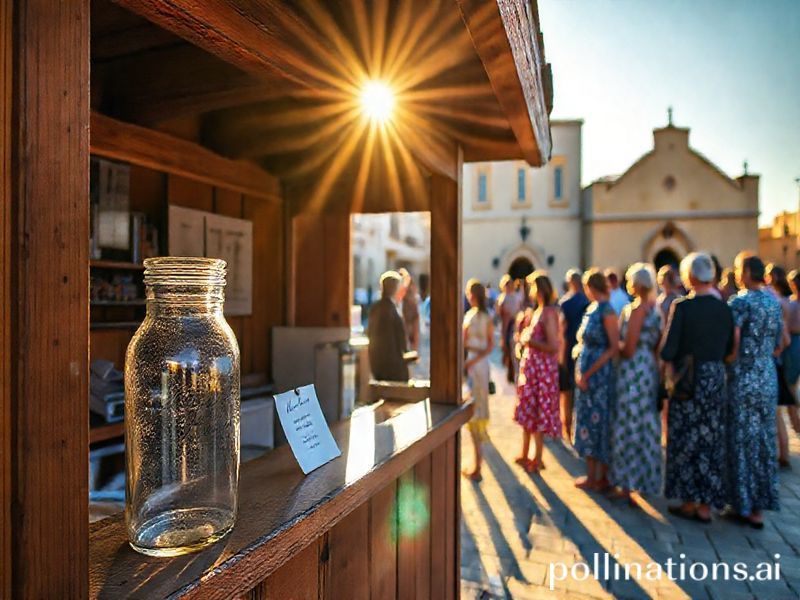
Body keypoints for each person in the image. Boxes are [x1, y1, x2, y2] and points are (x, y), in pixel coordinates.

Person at [660, 252, 733, 523]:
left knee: (687, 439)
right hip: (714, 377)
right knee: (710, 439)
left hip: (688, 378)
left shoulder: (682, 307)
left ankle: (689, 501)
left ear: (690, 277)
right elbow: (729, 349)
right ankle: (706, 504)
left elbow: (669, 350)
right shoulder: (725, 308)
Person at [725, 254, 784, 528]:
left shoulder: (740, 301)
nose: (737, 274)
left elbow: (733, 340)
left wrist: (732, 359)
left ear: (747, 272)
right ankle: (759, 506)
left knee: (741, 440)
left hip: (744, 377)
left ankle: (743, 505)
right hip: (767, 376)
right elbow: (780, 342)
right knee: (762, 441)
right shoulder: (773, 302)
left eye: (739, 269)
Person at [609, 263, 663, 505]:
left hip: (633, 371)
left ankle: (627, 483)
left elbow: (629, 348)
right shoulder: (655, 309)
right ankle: (642, 479)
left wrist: (612, 346)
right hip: (648, 368)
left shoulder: (637, 310)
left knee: (629, 423)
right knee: (644, 423)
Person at [573, 269, 619, 490]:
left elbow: (612, 348)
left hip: (599, 377)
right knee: (587, 424)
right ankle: (591, 475)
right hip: (587, 376)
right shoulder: (591, 308)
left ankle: (601, 477)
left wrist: (589, 372)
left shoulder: (607, 310)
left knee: (598, 423)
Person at [514, 271, 561, 473]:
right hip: (533, 370)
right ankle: (526, 453)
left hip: (542, 372)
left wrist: (529, 341)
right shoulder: (539, 310)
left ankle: (538, 457)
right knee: (528, 411)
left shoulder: (549, 313)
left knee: (538, 413)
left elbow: (552, 346)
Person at [462, 279, 494, 482]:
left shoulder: (481, 317)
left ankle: (478, 465)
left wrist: (471, 359)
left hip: (477, 364)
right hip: (475, 362)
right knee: (475, 407)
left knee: (477, 409)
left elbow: (489, 345)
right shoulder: (475, 316)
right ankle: (477, 461)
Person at [766, 264, 797, 468]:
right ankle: (784, 452)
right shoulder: (785, 302)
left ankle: (782, 453)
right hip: (784, 352)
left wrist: (774, 352)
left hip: (779, 356)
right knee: (786, 402)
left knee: (780, 407)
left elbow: (784, 338)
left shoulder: (776, 302)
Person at [558, 269, 590, 439]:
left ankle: (567, 427)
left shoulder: (566, 303)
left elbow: (561, 331)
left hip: (569, 347)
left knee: (567, 390)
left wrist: (561, 357)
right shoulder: (587, 301)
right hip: (584, 350)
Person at [368, 271, 410, 382]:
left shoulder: (376, 308)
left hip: (377, 362)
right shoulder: (392, 309)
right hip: (392, 364)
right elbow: (400, 337)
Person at [497, 275, 523, 384]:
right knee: (511, 354)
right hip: (509, 328)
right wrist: (503, 337)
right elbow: (503, 319)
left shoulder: (515, 297)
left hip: (515, 328)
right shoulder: (503, 299)